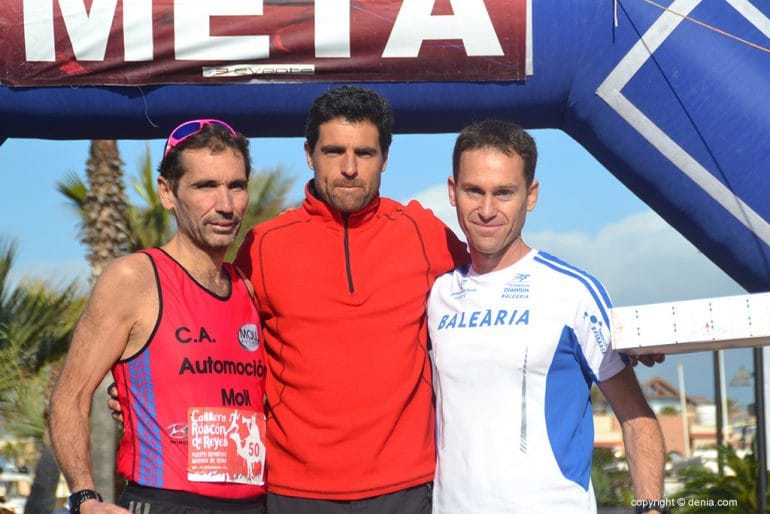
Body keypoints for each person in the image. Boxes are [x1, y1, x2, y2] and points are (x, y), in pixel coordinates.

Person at [233, 85, 469, 513]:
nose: (348, 168)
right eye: (333, 151)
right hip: (295, 490)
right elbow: (224, 345)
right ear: (308, 154)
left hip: (405, 486)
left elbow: (489, 296)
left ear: (385, 158)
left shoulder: (423, 232)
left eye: (364, 153)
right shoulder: (262, 245)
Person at [427, 120, 667, 514]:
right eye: (474, 191)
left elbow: (635, 418)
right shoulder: (438, 295)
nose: (487, 210)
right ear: (453, 192)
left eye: (504, 193)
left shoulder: (572, 292)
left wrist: (651, 509)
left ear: (531, 195)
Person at [49, 119, 268, 514]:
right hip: (164, 501)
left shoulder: (248, 287)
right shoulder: (134, 279)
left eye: (236, 185)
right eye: (205, 186)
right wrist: (85, 499)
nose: (226, 204)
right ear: (167, 193)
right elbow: (70, 396)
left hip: (254, 503)